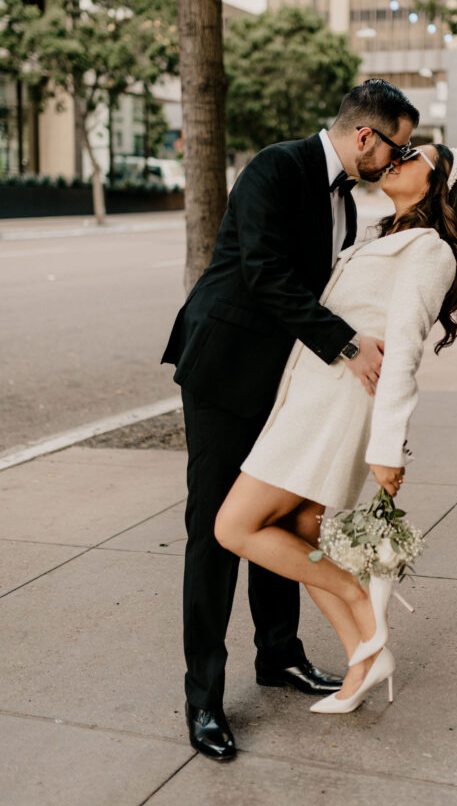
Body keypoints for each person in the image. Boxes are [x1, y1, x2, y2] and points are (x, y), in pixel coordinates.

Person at [161, 79, 419, 760]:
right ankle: (204, 701)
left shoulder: (350, 202)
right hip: (225, 369)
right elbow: (265, 271)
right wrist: (346, 343)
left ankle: (278, 656)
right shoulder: (277, 167)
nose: (398, 160)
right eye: (398, 146)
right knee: (216, 533)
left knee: (273, 520)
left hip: (281, 382)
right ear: (366, 136)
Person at [214, 143, 457, 717]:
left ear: (436, 184)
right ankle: (365, 655)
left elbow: (406, 351)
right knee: (299, 535)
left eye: (413, 156)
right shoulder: (383, 232)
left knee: (234, 526)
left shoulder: (430, 249)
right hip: (316, 399)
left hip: (335, 410)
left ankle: (359, 599)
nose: (399, 157)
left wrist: (389, 447)